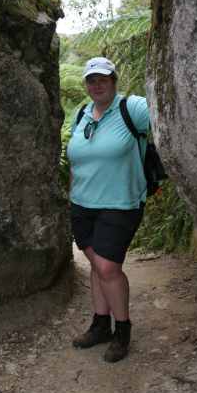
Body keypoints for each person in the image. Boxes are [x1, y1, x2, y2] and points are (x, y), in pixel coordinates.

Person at [67, 56, 149, 362]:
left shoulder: (133, 109)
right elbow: (76, 160)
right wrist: (70, 197)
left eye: (103, 78)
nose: (96, 85)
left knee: (106, 267)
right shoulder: (81, 114)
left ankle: (122, 329)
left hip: (120, 204)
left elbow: (170, 116)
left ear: (114, 80)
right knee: (96, 265)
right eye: (91, 80)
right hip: (82, 204)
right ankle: (100, 324)